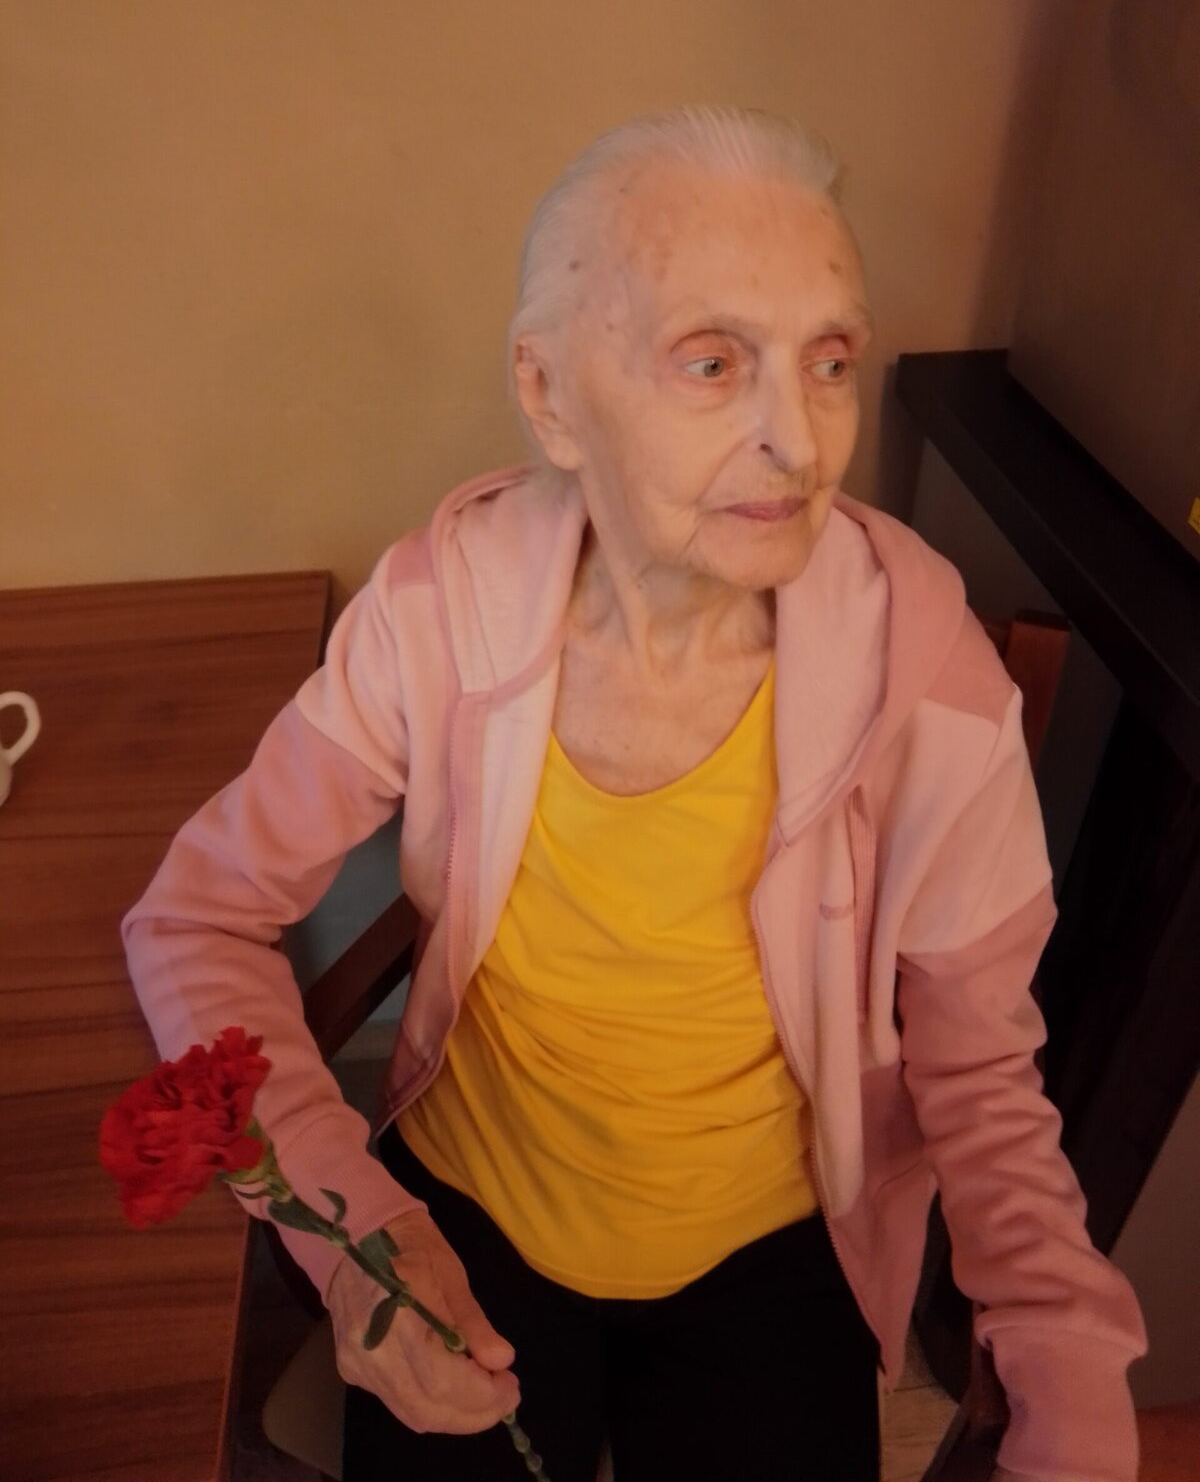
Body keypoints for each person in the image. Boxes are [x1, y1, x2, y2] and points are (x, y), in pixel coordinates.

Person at [122, 105, 1147, 1482]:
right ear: (550, 397)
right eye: (711, 363)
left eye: (829, 362)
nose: (801, 442)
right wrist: (352, 1230)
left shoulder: (928, 671)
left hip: (773, 1243)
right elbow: (197, 918)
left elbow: (978, 1060)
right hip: (468, 1212)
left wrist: (1065, 1352)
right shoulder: (436, 616)